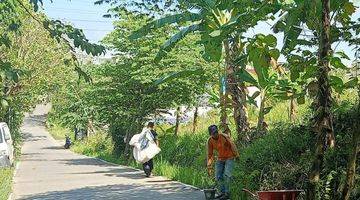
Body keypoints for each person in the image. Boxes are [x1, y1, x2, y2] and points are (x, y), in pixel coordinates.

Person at [207, 124, 239, 200]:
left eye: (216, 132)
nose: (215, 134)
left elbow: (232, 145)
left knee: (227, 175)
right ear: (210, 134)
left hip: (229, 157)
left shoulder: (224, 136)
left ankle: (227, 193)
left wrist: (237, 155)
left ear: (217, 131)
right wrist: (209, 165)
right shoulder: (210, 141)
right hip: (220, 158)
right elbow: (210, 154)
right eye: (213, 133)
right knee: (218, 176)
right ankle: (222, 192)